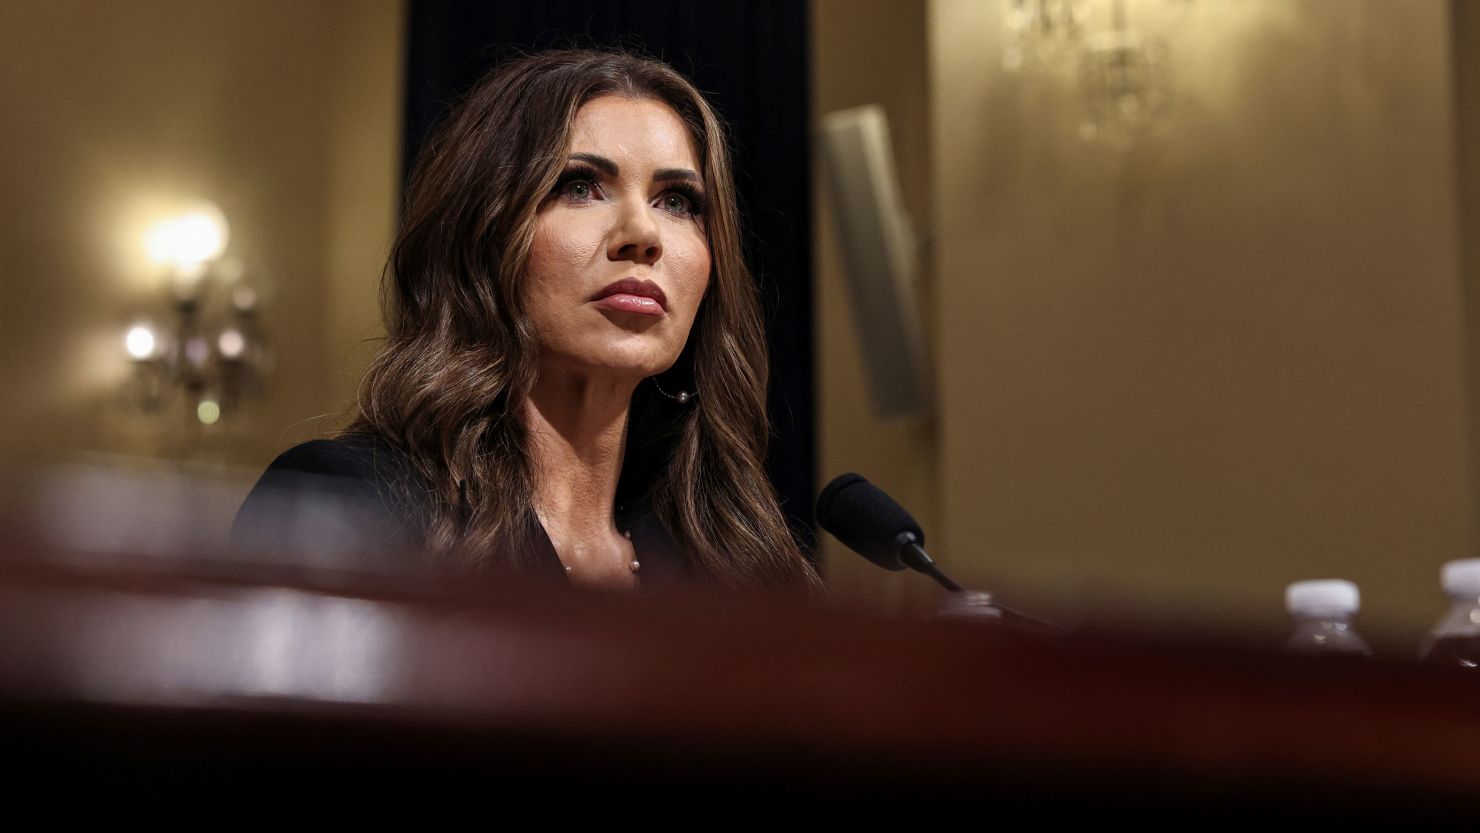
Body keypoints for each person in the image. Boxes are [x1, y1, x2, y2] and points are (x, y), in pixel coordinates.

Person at [231, 49, 824, 596]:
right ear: (484, 239)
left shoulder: (735, 561)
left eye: (677, 202)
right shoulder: (352, 503)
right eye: (580, 186)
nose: (643, 236)